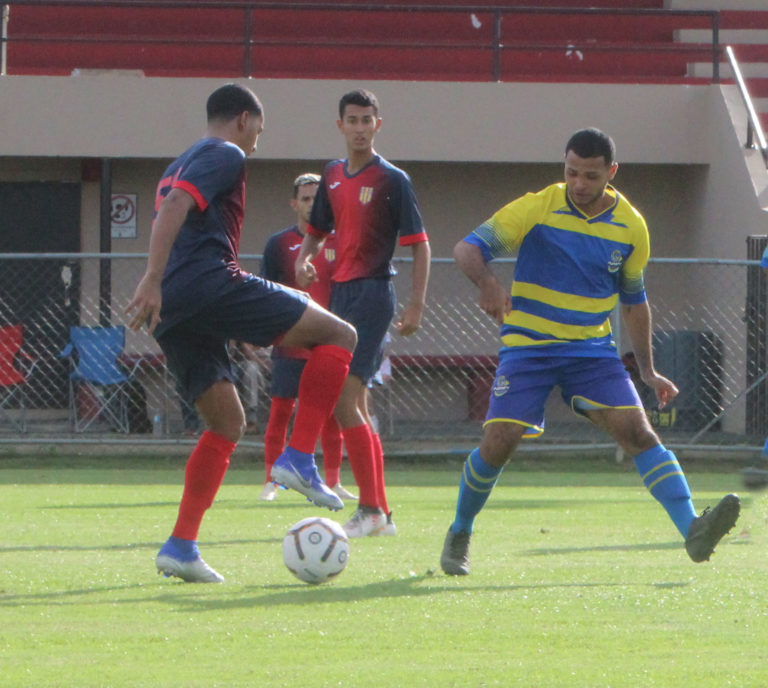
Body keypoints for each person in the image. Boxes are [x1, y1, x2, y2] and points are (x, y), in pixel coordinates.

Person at [440, 127, 740, 576]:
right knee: (499, 441)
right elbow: (467, 249)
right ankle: (460, 530)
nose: (579, 183)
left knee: (638, 433)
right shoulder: (538, 206)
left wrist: (648, 370)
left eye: (590, 176)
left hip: (590, 351)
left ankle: (692, 530)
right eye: (571, 172)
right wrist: (486, 281)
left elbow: (634, 300)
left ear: (611, 173)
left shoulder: (632, 227)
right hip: (529, 347)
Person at [126, 83, 356, 583]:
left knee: (226, 424)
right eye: (259, 131)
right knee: (340, 335)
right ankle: (297, 457)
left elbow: (170, 210)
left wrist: (156, 283)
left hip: (175, 308)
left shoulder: (178, 161)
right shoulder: (225, 152)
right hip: (210, 285)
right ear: (245, 120)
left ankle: (181, 545)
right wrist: (150, 277)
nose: (257, 142)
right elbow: (173, 212)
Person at [295, 88, 431, 537]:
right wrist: (305, 257)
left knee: (344, 398)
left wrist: (415, 303)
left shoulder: (393, 179)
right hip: (339, 297)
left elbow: (420, 246)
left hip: (373, 295)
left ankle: (371, 509)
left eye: (366, 119)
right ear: (340, 126)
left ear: (378, 124)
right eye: (351, 120)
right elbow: (317, 229)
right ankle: (381, 514)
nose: (359, 127)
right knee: (357, 401)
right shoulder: (331, 175)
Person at [258, 172, 356, 502]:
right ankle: (273, 481)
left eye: (318, 198)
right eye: (306, 198)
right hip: (291, 339)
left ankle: (333, 478)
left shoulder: (339, 241)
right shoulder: (278, 244)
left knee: (329, 414)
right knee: (280, 413)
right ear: (294, 203)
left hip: (328, 342)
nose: (312, 204)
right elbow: (266, 289)